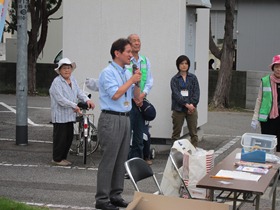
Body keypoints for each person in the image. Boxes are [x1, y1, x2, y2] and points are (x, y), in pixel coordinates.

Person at [95, 38, 141, 210]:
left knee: (121, 159)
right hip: (111, 118)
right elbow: (115, 94)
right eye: (128, 51)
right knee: (109, 160)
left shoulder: (126, 72)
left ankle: (115, 195)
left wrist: (137, 81)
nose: (131, 54)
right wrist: (131, 80)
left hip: (125, 117)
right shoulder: (108, 72)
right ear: (117, 53)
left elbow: (135, 95)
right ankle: (101, 199)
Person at [49, 57, 95, 166]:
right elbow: (60, 99)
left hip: (70, 114)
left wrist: (87, 99)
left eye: (68, 68)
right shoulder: (57, 82)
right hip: (60, 115)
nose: (67, 70)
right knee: (60, 138)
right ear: (59, 70)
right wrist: (74, 105)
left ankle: (63, 157)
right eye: (64, 68)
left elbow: (79, 92)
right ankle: (57, 159)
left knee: (68, 137)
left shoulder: (72, 79)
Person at [127, 34, 154, 163]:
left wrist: (142, 95)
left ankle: (137, 160)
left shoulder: (145, 60)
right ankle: (126, 162)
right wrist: (135, 97)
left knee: (140, 134)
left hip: (140, 101)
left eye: (139, 41)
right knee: (127, 133)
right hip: (128, 101)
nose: (137, 43)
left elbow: (149, 80)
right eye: (134, 41)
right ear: (129, 44)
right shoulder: (126, 61)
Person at [251, 54, 280, 152]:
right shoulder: (265, 81)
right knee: (267, 147)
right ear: (273, 68)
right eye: (276, 66)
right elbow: (259, 99)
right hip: (268, 120)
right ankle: (269, 166)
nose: (278, 69)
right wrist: (255, 118)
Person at [170, 55, 200, 147]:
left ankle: (194, 151)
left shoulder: (193, 78)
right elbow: (176, 95)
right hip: (179, 109)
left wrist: (192, 105)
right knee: (176, 134)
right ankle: (175, 152)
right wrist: (186, 105)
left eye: (186, 63)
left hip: (192, 108)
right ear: (178, 65)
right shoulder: (174, 79)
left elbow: (196, 92)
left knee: (193, 133)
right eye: (182, 63)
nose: (184, 65)